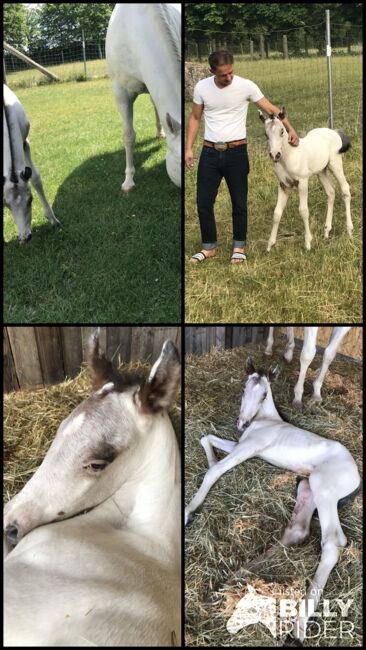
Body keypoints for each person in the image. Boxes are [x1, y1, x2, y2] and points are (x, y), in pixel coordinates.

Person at [185, 50, 299, 264]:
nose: (228, 77)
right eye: (223, 75)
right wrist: (188, 148)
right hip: (209, 152)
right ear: (212, 72)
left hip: (237, 153)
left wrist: (291, 129)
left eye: (231, 73)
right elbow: (194, 117)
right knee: (203, 201)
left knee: (239, 202)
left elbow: (272, 109)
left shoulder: (246, 86)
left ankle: (239, 246)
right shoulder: (202, 87)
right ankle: (208, 247)